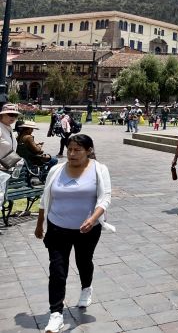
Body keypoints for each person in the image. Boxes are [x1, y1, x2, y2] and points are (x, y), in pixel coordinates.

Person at [35, 134, 114, 333]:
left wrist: (93, 218)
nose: (72, 153)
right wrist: (39, 225)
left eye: (77, 150)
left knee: (84, 261)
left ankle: (86, 287)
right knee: (57, 270)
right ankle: (56, 314)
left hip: (86, 229)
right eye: (69, 149)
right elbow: (45, 199)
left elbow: (105, 198)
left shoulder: (99, 169)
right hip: (57, 227)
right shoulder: (56, 170)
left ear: (89, 151)